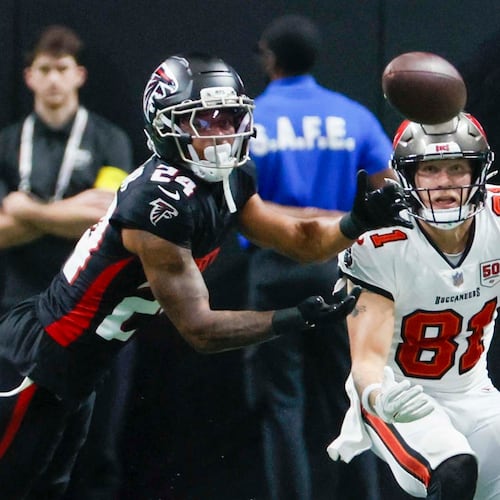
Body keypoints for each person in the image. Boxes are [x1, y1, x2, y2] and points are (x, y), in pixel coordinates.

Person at [0, 52, 411, 499]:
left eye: (230, 118)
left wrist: (354, 223)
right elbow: (200, 330)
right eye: (206, 121)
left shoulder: (230, 179)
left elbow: (298, 237)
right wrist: (296, 317)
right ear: (166, 126)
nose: (223, 134)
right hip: (37, 360)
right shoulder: (158, 204)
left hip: (79, 366)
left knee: (46, 487)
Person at [245, 14, 395, 500]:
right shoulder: (352, 116)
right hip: (342, 267)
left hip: (272, 268)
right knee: (350, 398)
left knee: (281, 406)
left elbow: (235, 201)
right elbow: (386, 190)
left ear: (269, 58)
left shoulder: (249, 120)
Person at [327, 112, 500, 499]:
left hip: (474, 391)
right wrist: (378, 395)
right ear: (407, 177)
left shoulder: (496, 220)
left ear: (478, 172)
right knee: (454, 470)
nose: (443, 182)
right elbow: (367, 361)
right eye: (430, 169)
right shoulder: (381, 244)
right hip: (400, 396)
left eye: (457, 168)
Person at [0, 25, 134, 499]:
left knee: (98, 445)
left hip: (94, 310)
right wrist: (67, 212)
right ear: (29, 77)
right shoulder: (7, 143)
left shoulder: (109, 139)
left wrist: (26, 208)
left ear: (78, 75)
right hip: (19, 312)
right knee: (20, 442)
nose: (53, 79)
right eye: (44, 70)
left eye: (62, 69)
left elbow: (104, 213)